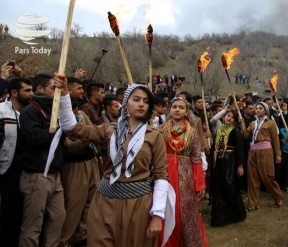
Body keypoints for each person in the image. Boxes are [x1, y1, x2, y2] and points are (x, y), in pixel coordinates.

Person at [55, 77, 175, 247]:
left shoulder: (155, 135)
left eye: (146, 101)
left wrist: (157, 215)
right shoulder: (110, 130)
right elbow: (73, 130)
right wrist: (64, 96)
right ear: (126, 103)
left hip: (138, 205)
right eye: (136, 99)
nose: (141, 104)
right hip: (105, 202)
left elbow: (161, 175)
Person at [18, 73, 66, 246]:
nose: (57, 91)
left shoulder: (55, 110)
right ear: (41, 89)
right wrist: (53, 132)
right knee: (33, 225)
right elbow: (33, 138)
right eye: (54, 88)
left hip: (55, 174)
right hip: (36, 175)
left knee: (58, 219)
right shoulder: (29, 112)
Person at [159, 97, 208, 247]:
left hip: (185, 175)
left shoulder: (192, 133)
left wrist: (199, 183)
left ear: (186, 111)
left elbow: (196, 158)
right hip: (164, 173)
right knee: (165, 209)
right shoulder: (160, 130)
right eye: (174, 106)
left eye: (181, 107)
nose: (177, 109)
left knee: (184, 211)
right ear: (170, 109)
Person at [59, 95, 100, 247]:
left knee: (91, 203)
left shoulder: (81, 116)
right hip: (74, 166)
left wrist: (90, 134)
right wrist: (88, 137)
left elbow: (94, 130)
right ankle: (64, 240)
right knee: (74, 206)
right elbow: (72, 147)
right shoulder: (60, 119)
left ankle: (82, 237)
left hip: (91, 162)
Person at [0, 77, 32, 246]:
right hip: (6, 168)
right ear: (14, 93)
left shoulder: (29, 114)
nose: (30, 94)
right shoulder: (2, 112)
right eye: (26, 91)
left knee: (17, 213)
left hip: (23, 170)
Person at [240, 102, 283, 211]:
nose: (257, 110)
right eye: (256, 108)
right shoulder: (253, 123)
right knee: (253, 178)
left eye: (260, 108)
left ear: (266, 111)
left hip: (266, 151)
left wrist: (278, 154)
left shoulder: (271, 123)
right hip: (253, 152)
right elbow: (245, 135)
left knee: (267, 177)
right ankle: (252, 203)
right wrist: (242, 124)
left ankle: (278, 196)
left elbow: (275, 139)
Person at [210, 110, 246, 227]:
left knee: (230, 187)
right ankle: (220, 218)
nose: (230, 118)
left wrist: (240, 165)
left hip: (230, 161)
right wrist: (210, 139)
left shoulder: (235, 132)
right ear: (224, 117)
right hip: (219, 161)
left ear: (235, 121)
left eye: (233, 117)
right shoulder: (219, 130)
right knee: (219, 188)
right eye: (228, 116)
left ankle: (236, 214)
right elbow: (214, 146)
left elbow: (240, 149)